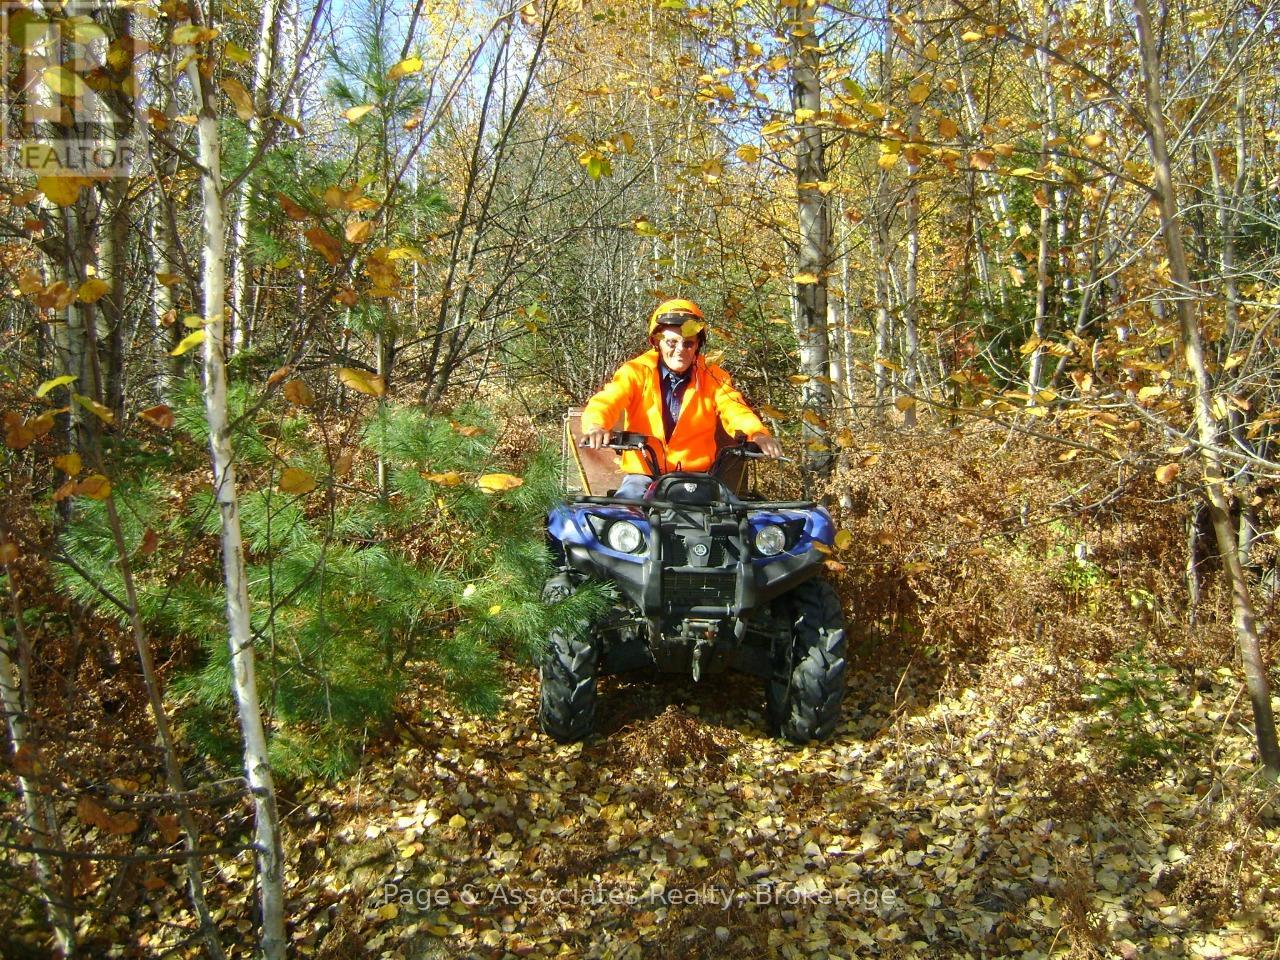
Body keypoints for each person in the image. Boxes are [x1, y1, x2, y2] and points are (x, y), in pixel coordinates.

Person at [581, 298, 783, 498]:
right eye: (671, 342)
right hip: (643, 475)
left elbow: (735, 409)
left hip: (697, 477)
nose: (679, 350)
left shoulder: (713, 376)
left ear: (697, 346)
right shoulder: (636, 371)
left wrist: (757, 433)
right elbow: (608, 399)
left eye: (688, 343)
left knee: (733, 517)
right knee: (623, 514)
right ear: (656, 342)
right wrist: (596, 425)